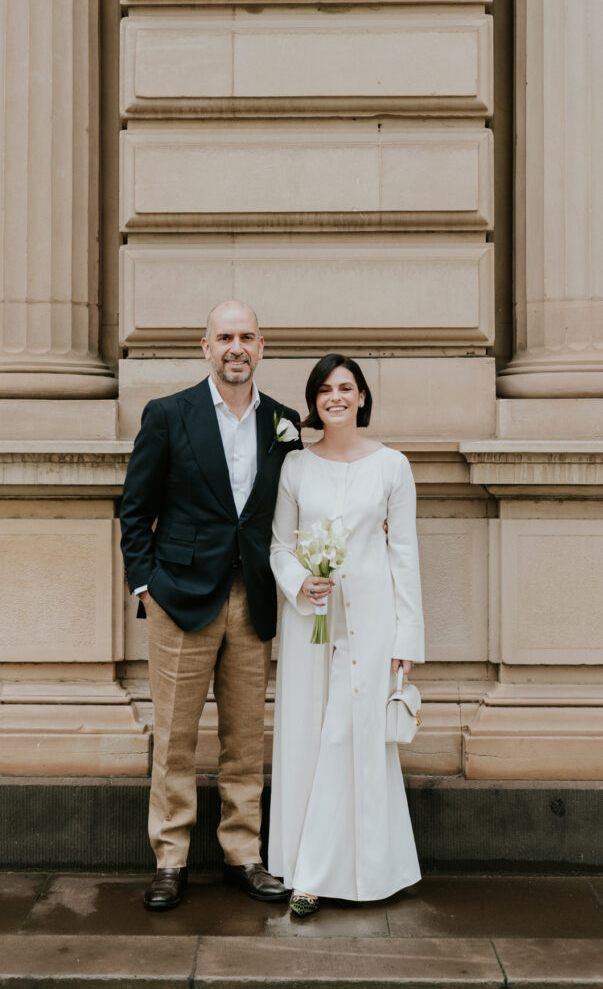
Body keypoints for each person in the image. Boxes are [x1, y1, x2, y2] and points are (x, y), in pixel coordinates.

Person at [120, 300, 301, 911]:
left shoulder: (284, 421)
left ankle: (242, 855)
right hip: (181, 598)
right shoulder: (169, 414)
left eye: (247, 336)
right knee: (174, 738)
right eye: (225, 336)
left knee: (245, 738)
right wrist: (146, 585)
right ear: (205, 346)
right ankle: (170, 860)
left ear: (261, 345)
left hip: (252, 600)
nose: (236, 347)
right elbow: (134, 509)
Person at [268, 353, 424, 916]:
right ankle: (306, 862)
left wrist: (408, 639)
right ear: (313, 401)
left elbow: (403, 553)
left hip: (374, 622)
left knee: (350, 738)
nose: (336, 397)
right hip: (310, 620)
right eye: (326, 389)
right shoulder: (295, 467)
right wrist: (298, 581)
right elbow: (278, 545)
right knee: (312, 738)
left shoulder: (392, 466)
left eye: (347, 388)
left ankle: (325, 874)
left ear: (361, 398)